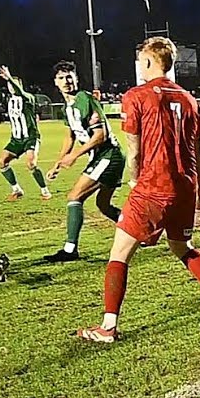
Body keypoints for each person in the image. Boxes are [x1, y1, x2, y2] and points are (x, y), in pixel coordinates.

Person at [75, 37, 200, 343]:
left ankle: (107, 327)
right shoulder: (189, 99)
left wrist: (134, 181)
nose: (139, 64)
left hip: (153, 187)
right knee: (181, 246)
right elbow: (198, 152)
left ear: (148, 62)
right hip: (185, 188)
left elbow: (134, 151)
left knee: (119, 254)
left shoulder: (136, 96)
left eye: (140, 60)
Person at [43, 60, 126, 262]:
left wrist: (74, 156)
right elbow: (69, 137)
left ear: (76, 79)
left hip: (109, 155)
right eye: (61, 78)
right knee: (103, 205)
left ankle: (70, 250)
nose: (66, 81)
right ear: (55, 82)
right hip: (102, 157)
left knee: (75, 196)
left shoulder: (84, 99)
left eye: (69, 77)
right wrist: (58, 163)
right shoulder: (67, 107)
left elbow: (101, 135)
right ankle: (141, 231)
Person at [0, 62, 52, 201]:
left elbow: (19, 91)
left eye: (13, 84)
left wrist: (10, 78)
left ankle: (45, 190)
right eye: (9, 84)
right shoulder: (8, 99)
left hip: (30, 137)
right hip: (16, 140)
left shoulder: (28, 98)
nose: (11, 86)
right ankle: (17, 190)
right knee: (2, 162)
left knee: (31, 164)